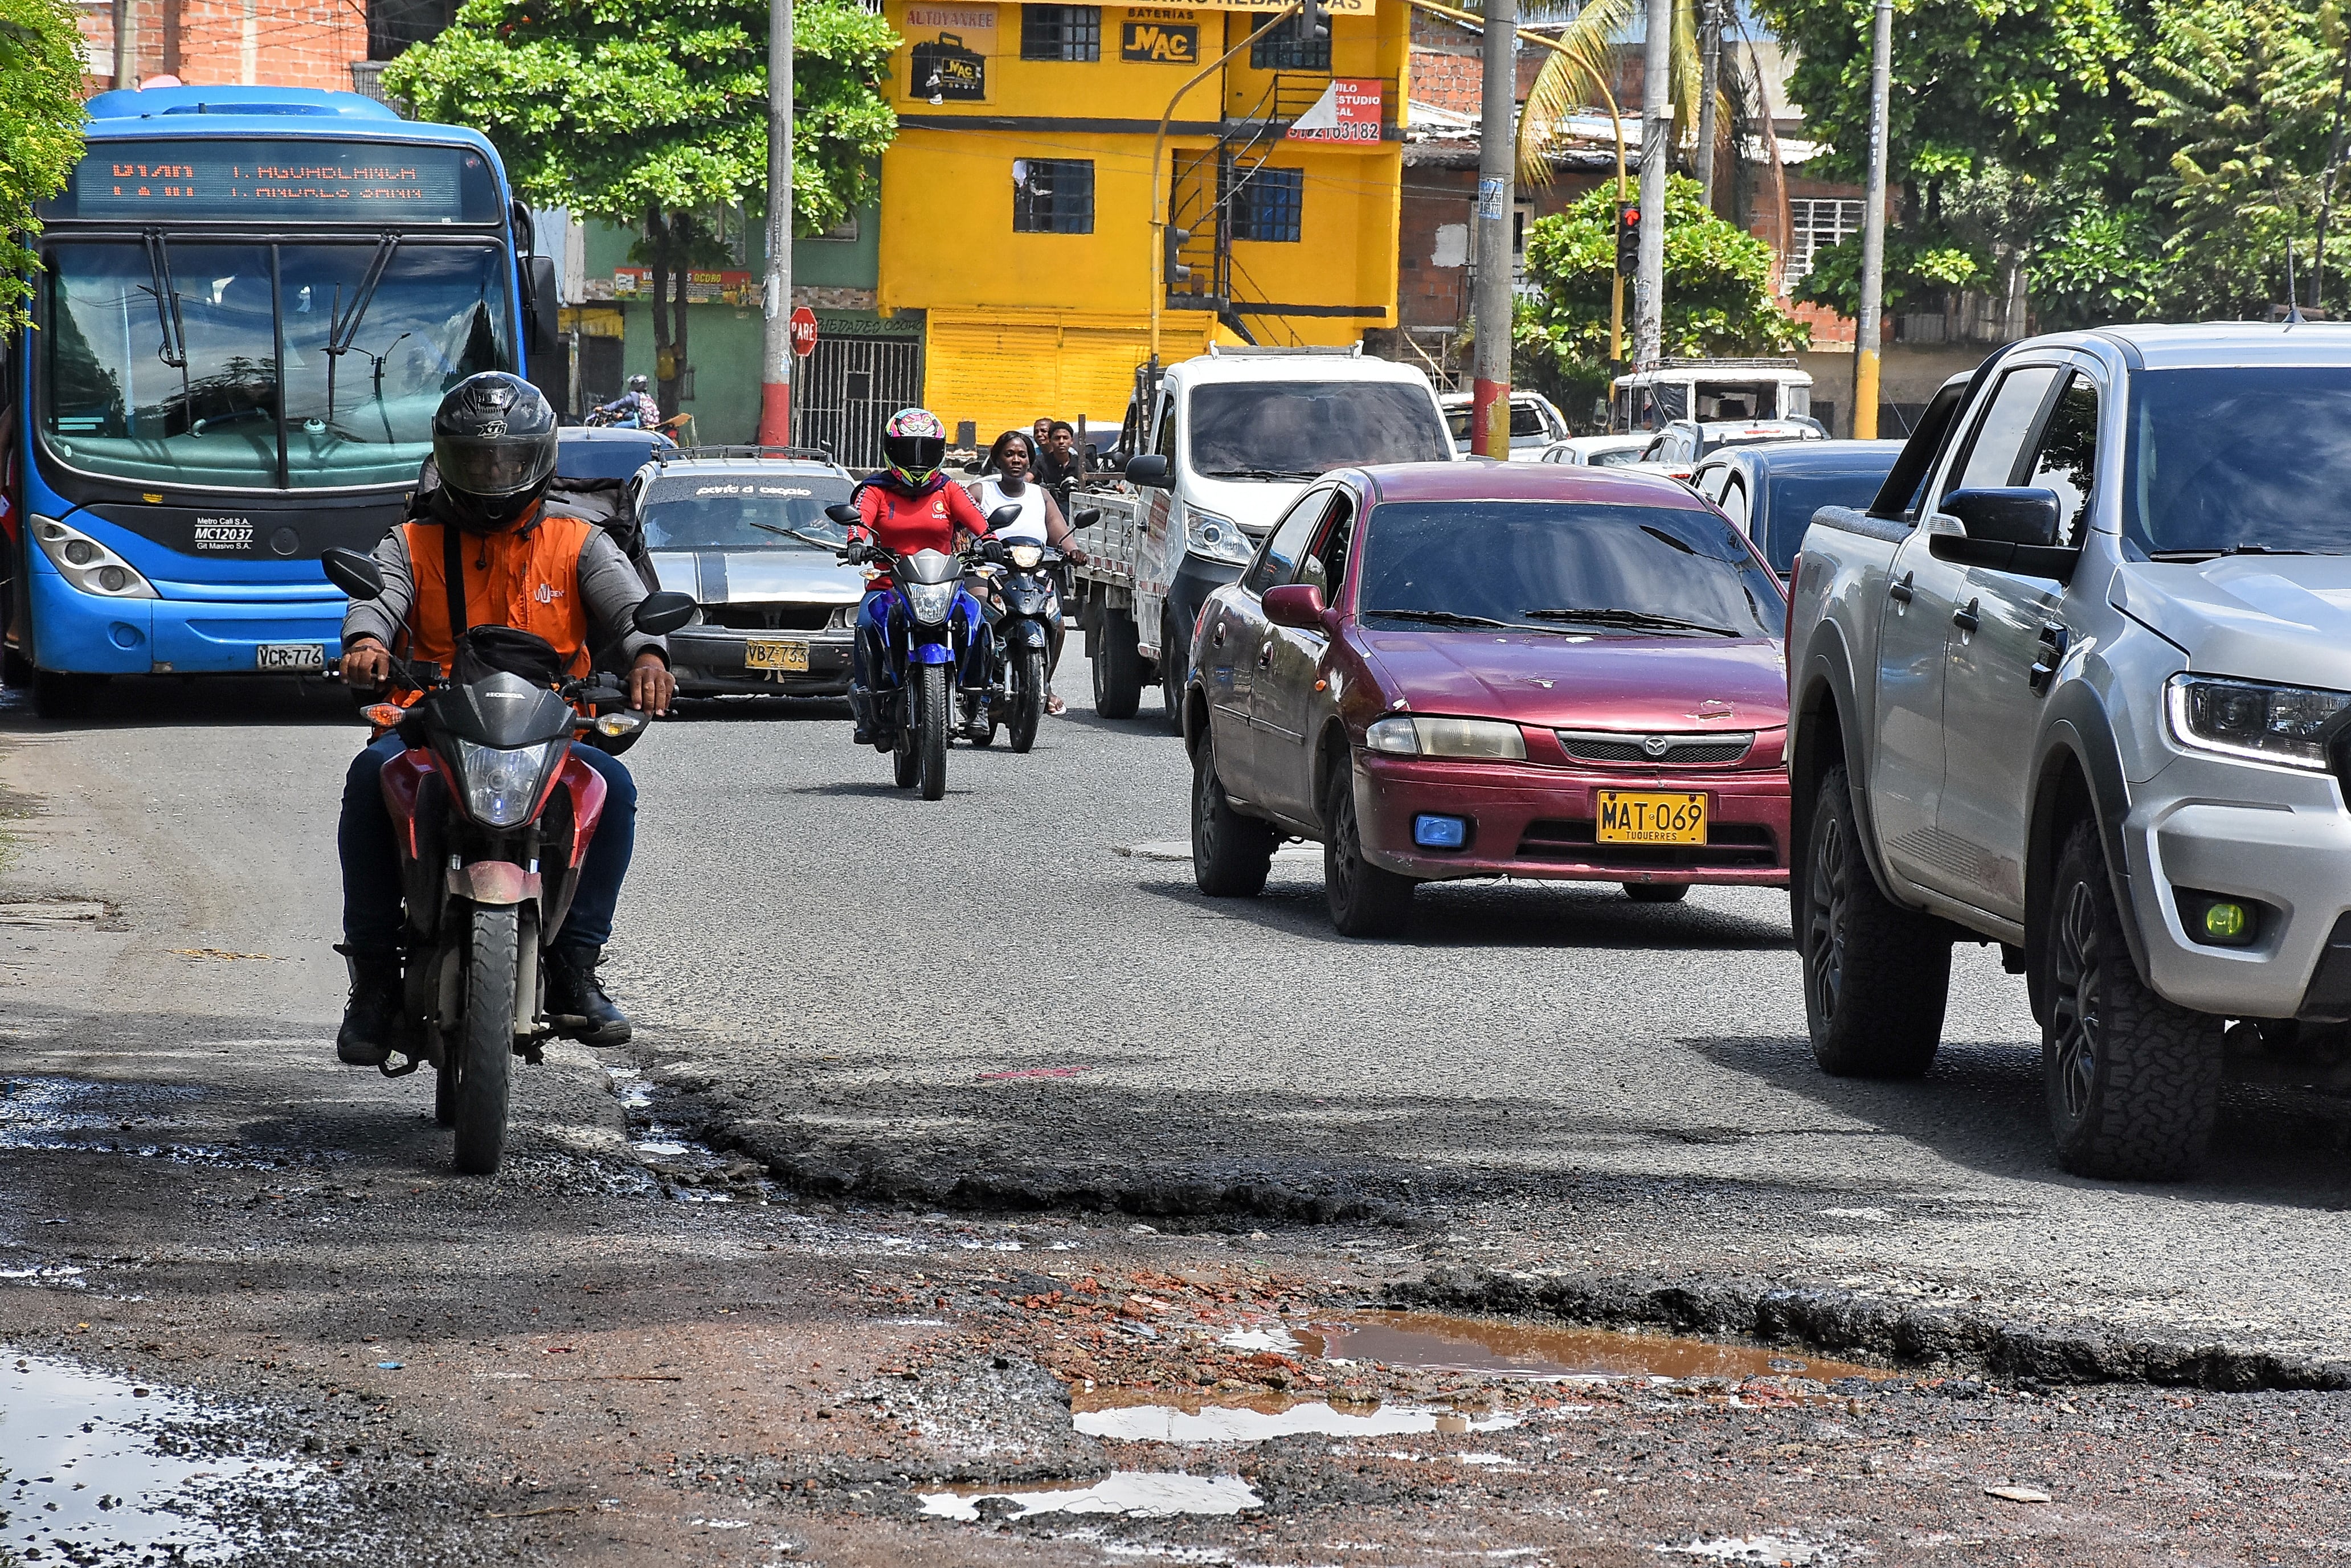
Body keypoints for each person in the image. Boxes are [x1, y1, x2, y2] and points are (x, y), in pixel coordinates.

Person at [334, 373, 674, 1066]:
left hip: (551, 729)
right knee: (372, 775)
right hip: (431, 720)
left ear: (540, 459)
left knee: (613, 787)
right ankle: (371, 980)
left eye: (508, 461)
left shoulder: (579, 540)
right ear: (446, 459)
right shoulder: (411, 541)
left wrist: (649, 656)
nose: (493, 477)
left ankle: (578, 964)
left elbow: (631, 607)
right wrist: (366, 644)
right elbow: (378, 599)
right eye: (476, 461)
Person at [845, 407, 996, 746]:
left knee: (978, 618)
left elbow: (977, 519)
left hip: (943, 586)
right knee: (866, 623)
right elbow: (861, 521)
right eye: (906, 450)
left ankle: (979, 700)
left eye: (925, 451)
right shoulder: (875, 490)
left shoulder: (949, 489)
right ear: (890, 451)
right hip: (888, 586)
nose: (916, 460)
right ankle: (868, 706)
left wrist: (989, 541)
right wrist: (856, 542)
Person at [967, 428, 1090, 715]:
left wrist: (1073, 551)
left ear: (1029, 460)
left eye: (1022, 455)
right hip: (988, 573)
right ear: (998, 459)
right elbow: (960, 528)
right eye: (1009, 454)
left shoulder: (1040, 495)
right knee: (975, 614)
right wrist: (975, 549)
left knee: (1057, 624)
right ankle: (975, 690)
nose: (1016, 460)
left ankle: (1044, 684)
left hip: (1031, 576)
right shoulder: (980, 492)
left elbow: (1059, 533)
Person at [596, 374, 660, 428]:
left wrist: (604, 408)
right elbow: (639, 413)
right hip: (650, 424)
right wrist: (624, 415)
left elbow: (620, 403)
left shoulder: (634, 395)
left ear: (636, 384)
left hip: (639, 423)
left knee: (612, 427)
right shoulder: (647, 397)